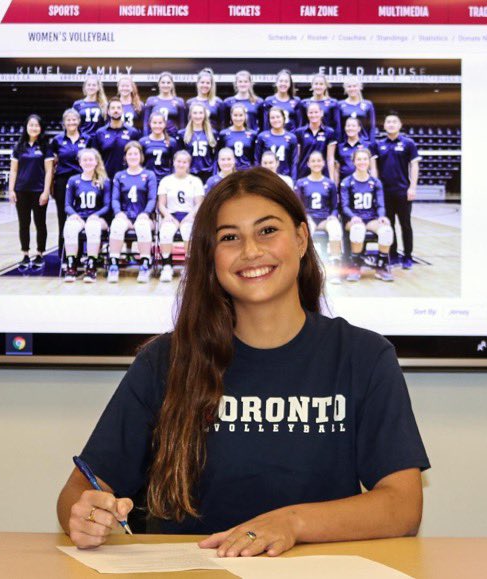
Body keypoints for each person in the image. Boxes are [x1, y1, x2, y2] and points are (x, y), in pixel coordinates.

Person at [57, 167, 428, 555]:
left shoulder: (364, 357)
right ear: (211, 257)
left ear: (302, 239)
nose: (251, 251)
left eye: (267, 230)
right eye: (230, 238)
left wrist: (292, 523)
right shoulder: (165, 361)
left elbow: (403, 506)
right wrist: (85, 515)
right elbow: (79, 491)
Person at [373, 112, 420, 269]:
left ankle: (407, 256)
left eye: (394, 122)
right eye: (388, 122)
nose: (391, 124)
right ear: (384, 126)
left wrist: (412, 187)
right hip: (385, 192)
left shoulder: (408, 143)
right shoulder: (378, 145)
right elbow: (375, 170)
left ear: (400, 125)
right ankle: (392, 255)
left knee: (405, 224)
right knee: (389, 224)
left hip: (403, 191)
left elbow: (414, 165)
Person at [8, 114, 54, 272]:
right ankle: (25, 255)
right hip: (21, 191)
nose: (33, 128)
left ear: (41, 128)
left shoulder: (46, 147)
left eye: (36, 125)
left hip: (39, 191)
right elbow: (13, 171)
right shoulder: (18, 146)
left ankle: (40, 254)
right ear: (26, 127)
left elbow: (49, 172)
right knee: (24, 224)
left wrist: (46, 191)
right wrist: (11, 190)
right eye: (31, 125)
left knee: (40, 224)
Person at [339, 147, 393, 282]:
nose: (362, 162)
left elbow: (381, 204)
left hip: (371, 218)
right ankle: (355, 266)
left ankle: (381, 266)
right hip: (353, 220)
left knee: (386, 230)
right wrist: (353, 217)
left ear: (369, 161)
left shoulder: (375, 182)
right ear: (353, 162)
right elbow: (344, 206)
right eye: (359, 159)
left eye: (364, 159)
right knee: (358, 229)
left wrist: (381, 216)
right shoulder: (346, 182)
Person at [107, 142, 157, 284]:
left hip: (144, 216)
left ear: (141, 156)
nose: (133, 156)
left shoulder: (149, 175)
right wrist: (118, 212)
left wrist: (146, 213)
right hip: (126, 216)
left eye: (136, 154)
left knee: (142, 226)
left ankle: (145, 265)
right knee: (117, 225)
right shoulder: (119, 175)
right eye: (130, 154)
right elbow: (115, 198)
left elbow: (152, 198)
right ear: (125, 157)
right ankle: (114, 264)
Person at [62, 148, 110, 283]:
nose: (88, 162)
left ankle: (91, 266)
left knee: (92, 226)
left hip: (98, 219)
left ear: (96, 162)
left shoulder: (104, 181)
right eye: (85, 160)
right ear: (80, 163)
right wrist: (74, 215)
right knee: (70, 226)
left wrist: (96, 215)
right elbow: (67, 205)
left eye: (90, 160)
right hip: (80, 217)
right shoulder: (73, 180)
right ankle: (71, 266)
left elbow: (107, 205)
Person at [295, 152, 342, 283]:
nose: (316, 163)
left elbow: (334, 206)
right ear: (308, 164)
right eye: (313, 161)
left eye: (319, 161)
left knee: (335, 229)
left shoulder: (330, 183)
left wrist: (333, 216)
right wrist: (305, 217)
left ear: (323, 163)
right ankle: (306, 267)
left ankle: (334, 266)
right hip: (309, 217)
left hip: (325, 219)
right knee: (306, 229)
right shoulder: (301, 183)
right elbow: (298, 205)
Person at [157, 151, 204, 283]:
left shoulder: (195, 181)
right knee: (165, 231)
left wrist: (190, 216)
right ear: (174, 162)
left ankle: (189, 266)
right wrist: (167, 215)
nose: (181, 164)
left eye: (184, 162)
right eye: (179, 161)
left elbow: (199, 203)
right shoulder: (166, 181)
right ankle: (167, 265)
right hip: (171, 214)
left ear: (189, 164)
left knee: (188, 231)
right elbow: (161, 204)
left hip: (189, 214)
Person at [50, 109, 91, 243]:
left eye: (74, 119)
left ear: (79, 121)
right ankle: (63, 252)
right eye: (68, 120)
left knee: (81, 215)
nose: (71, 122)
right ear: (64, 123)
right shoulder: (57, 140)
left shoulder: (87, 139)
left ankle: (82, 252)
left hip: (83, 181)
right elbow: (51, 163)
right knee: (63, 216)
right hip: (62, 181)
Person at [92, 98, 143, 185]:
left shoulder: (132, 132)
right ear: (108, 111)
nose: (116, 110)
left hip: (128, 177)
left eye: (118, 108)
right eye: (113, 108)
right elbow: (95, 157)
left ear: (122, 111)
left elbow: (139, 156)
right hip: (106, 178)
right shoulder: (100, 133)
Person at [294, 102, 337, 181]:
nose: (313, 115)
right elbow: (297, 157)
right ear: (307, 114)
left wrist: (331, 179)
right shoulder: (299, 132)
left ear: (321, 113)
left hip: (323, 174)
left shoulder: (329, 132)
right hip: (304, 173)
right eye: (311, 112)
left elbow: (330, 158)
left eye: (316, 112)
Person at [179, 102, 218, 182]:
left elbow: (215, 157)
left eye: (200, 113)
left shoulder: (212, 133)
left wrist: (214, 174)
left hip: (207, 173)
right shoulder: (182, 134)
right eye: (195, 113)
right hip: (189, 174)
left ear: (204, 115)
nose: (198, 116)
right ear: (190, 115)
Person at [255, 107, 298, 180]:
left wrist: (293, 179)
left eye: (278, 117)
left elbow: (294, 162)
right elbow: (257, 159)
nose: (275, 120)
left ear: (283, 118)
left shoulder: (291, 138)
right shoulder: (262, 136)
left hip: (285, 176)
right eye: (272, 118)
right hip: (266, 176)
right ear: (269, 120)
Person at [143, 71, 186, 137]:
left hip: (173, 136)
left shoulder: (179, 101)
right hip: (154, 136)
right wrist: (146, 137)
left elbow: (182, 124)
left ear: (172, 84)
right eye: (163, 82)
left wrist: (181, 139)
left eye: (168, 83)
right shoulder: (151, 100)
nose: (165, 85)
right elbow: (146, 123)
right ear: (159, 84)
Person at [337, 76, 376, 147]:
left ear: (360, 87)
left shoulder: (368, 104)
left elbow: (372, 127)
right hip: (346, 143)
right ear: (345, 88)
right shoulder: (340, 105)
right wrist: (339, 144)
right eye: (349, 86)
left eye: (354, 86)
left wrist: (371, 144)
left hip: (364, 142)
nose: (352, 89)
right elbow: (338, 127)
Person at [218, 104, 258, 171]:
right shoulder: (223, 134)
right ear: (231, 116)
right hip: (229, 171)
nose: (238, 118)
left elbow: (255, 157)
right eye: (235, 115)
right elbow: (218, 155)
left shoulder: (253, 134)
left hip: (247, 171)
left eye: (241, 115)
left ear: (245, 116)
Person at [187, 68, 224, 132]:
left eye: (207, 83)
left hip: (213, 138)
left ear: (211, 85)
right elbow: (187, 124)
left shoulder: (218, 102)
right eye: (202, 82)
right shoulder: (190, 103)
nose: (205, 85)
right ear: (197, 83)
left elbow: (222, 124)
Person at [332, 116, 365, 185]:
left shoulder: (367, 145)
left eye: (353, 126)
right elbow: (336, 169)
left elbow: (372, 168)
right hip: (344, 185)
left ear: (359, 128)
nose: (350, 128)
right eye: (348, 126)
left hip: (363, 184)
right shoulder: (340, 147)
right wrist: (336, 188)